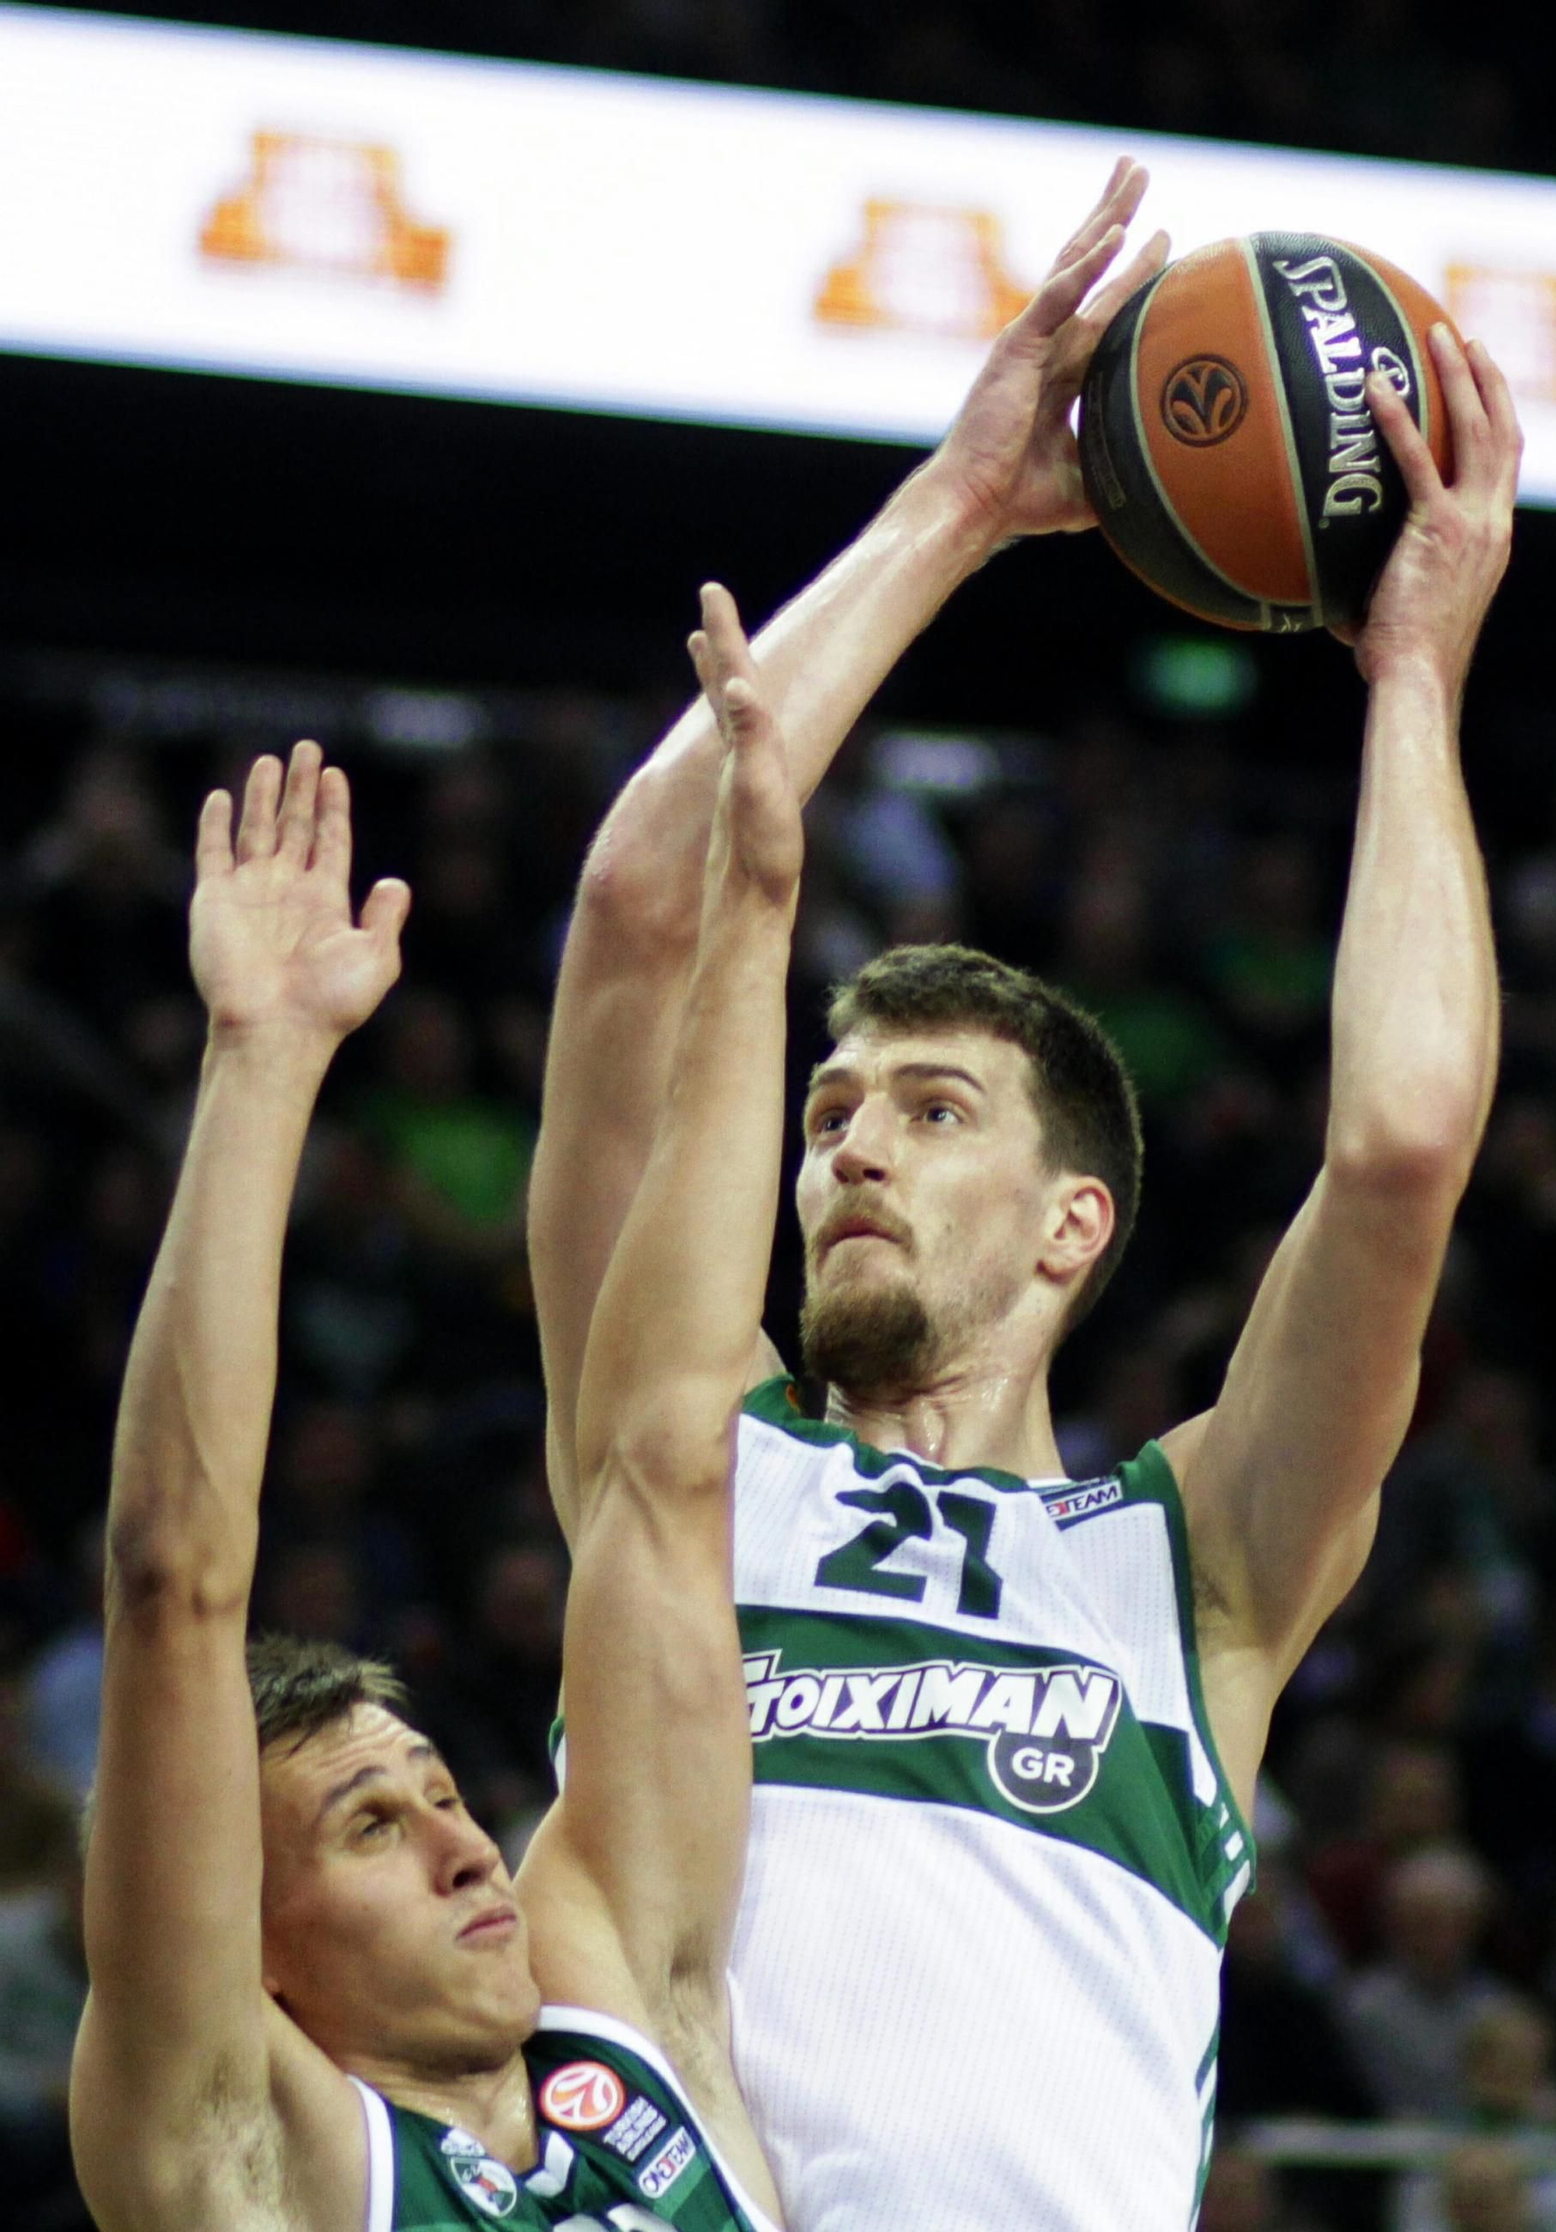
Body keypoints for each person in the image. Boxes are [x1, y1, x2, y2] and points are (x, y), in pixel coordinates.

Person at [527, 155, 1523, 2228]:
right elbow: (639, 916)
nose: (847, 1143)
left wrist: (1413, 677)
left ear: (1073, 1227)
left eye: (929, 1111)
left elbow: (1404, 1145)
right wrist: (958, 506)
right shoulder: (690, 1456)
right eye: (825, 1112)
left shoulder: (1195, 1564)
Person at [68, 730, 797, 2232]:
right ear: (250, 1949)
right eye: (371, 1829)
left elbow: (671, 1462)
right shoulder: (267, 2161)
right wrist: (264, 1066)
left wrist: (760, 916)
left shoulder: (636, 2030)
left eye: (441, 1795)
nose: (473, 1847)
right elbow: (172, 1582)